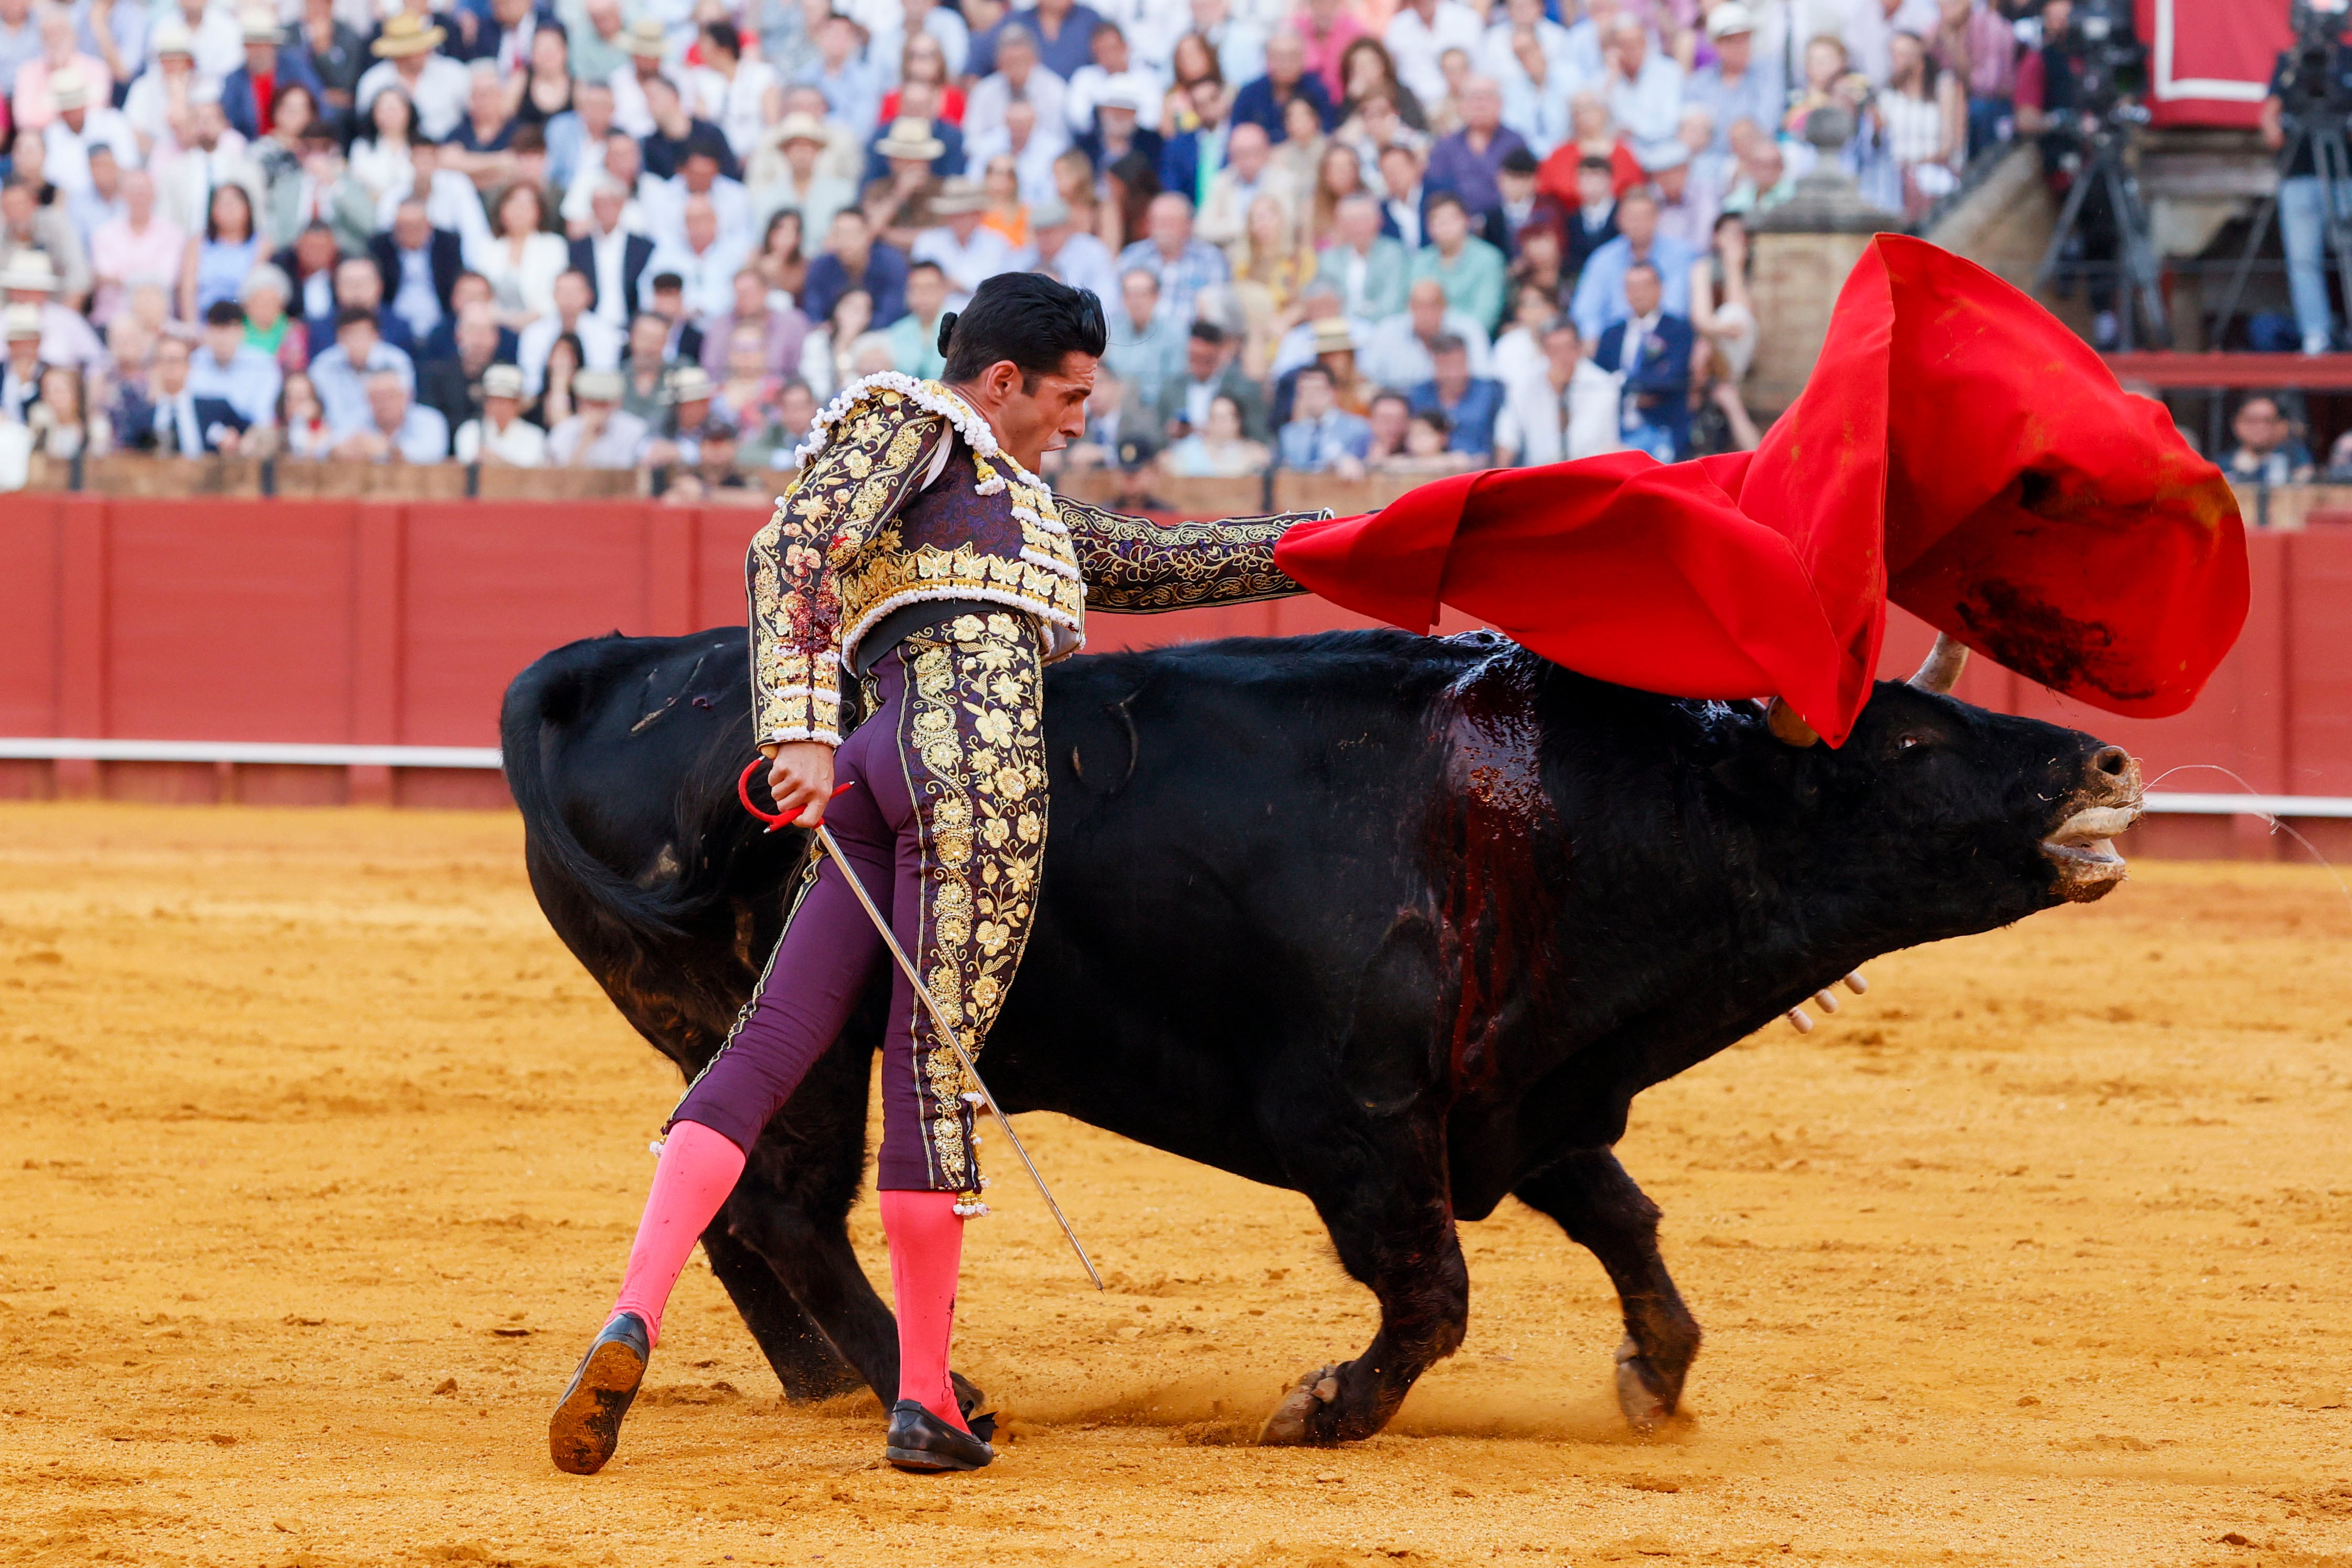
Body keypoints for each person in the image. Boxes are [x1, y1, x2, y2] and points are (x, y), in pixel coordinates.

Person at [548, 272, 1328, 1479]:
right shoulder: (914, 420)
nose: (1080, 421)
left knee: (762, 1044)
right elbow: (794, 542)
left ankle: (632, 1312)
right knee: (930, 1077)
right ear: (1002, 380)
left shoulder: (1012, 499)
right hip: (970, 769)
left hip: (878, 765)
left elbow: (1155, 562)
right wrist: (795, 725)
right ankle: (922, 1401)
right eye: (1068, 397)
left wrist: (1319, 550)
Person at [2260, 18, 2352, 356]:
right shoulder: (2291, 60)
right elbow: (2270, 116)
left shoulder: (2348, 58)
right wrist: (2281, 132)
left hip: (2345, 172)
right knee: (2303, 260)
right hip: (2299, 172)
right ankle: (2316, 334)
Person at [1593, 260, 1693, 461]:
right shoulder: (1612, 334)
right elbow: (1596, 379)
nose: (1638, 293)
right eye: (1631, 287)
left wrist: (1623, 382)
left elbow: (1671, 377)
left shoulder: (1678, 330)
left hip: (1661, 429)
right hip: (1614, 429)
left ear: (1660, 288)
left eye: (1645, 286)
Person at [1494, 315, 1623, 465]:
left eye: (1568, 348)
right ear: (1542, 351)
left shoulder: (1603, 385)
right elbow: (1507, 437)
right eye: (1554, 350)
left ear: (1579, 348)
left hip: (1590, 473)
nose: (1563, 357)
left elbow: (1609, 442)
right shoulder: (1525, 386)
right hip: (1539, 476)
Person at [1406, 332, 1502, 462]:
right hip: (1430, 470)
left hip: (1480, 470)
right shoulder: (1419, 395)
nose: (1452, 372)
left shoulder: (1491, 392)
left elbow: (1507, 436)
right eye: (1445, 365)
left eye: (1458, 363)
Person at [1276, 361, 1370, 474]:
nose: (1310, 396)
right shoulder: (1289, 434)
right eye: (1304, 391)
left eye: (1317, 389)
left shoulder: (1357, 429)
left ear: (1332, 392)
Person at [2223, 394, 2314, 486]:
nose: (2260, 428)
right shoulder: (2223, 465)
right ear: (2237, 424)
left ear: (2282, 426)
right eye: (2252, 421)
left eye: (2268, 421)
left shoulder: (2296, 459)